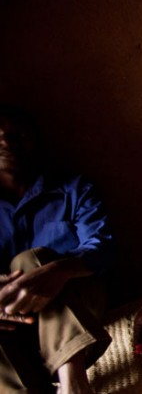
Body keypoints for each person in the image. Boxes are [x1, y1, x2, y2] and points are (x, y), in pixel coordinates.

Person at [0, 106, 114, 393]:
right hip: (12, 315)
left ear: (34, 139)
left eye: (16, 134)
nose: (6, 142)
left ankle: (73, 382)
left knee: (31, 260)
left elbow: (103, 247)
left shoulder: (73, 188)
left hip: (77, 301)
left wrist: (57, 270)